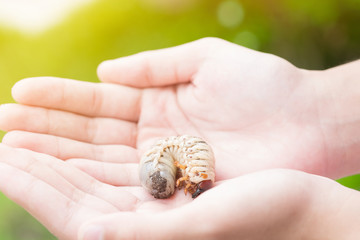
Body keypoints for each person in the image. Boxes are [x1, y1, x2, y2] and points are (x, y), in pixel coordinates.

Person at [0, 37, 359, 239]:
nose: (191, 186)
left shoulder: (184, 159)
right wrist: (317, 108)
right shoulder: (173, 159)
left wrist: (318, 218)